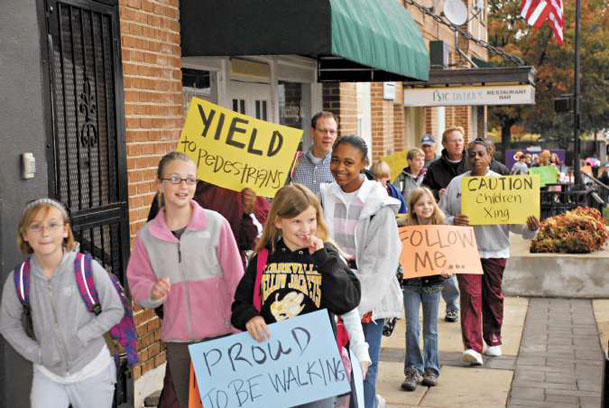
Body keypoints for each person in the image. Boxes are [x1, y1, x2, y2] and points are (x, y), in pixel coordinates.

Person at [231, 184, 369, 408]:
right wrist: (250, 317)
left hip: (317, 368)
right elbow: (239, 305)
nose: (306, 228)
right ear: (278, 221)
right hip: (273, 366)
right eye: (296, 221)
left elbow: (348, 301)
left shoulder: (328, 255)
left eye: (311, 220)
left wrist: (323, 259)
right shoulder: (264, 258)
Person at [127, 152, 244, 408]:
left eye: (190, 180)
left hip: (222, 337)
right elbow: (138, 285)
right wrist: (153, 292)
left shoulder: (216, 224)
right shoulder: (148, 236)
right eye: (176, 179)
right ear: (160, 184)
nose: (184, 186)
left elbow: (238, 282)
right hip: (180, 343)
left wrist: (239, 330)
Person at [0, 199, 123, 408]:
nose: (45, 233)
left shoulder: (86, 268)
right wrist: (36, 353)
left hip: (92, 369)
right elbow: (8, 324)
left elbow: (114, 309)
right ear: (24, 235)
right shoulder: (19, 278)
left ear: (65, 230)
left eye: (52, 225)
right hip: (48, 375)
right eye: (35, 226)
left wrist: (82, 335)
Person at [440, 140, 539, 366]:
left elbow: (515, 224)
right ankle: (473, 347)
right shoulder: (457, 184)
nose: (475, 158)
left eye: (480, 154)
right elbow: (440, 215)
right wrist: (453, 220)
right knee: (470, 296)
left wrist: (531, 229)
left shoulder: (502, 184)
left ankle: (493, 337)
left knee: (493, 296)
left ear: (489, 156)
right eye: (471, 154)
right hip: (465, 250)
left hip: (495, 250)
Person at [320, 136, 403, 408]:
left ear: (364, 164)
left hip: (367, 297)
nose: (339, 168)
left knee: (363, 367)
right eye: (335, 160)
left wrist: (352, 304)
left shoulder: (380, 205)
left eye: (348, 162)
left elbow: (382, 264)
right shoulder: (326, 196)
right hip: (332, 292)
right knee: (334, 367)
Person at [400, 187, 452, 392]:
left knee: (431, 329)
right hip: (411, 284)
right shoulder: (404, 229)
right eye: (421, 204)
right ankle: (413, 370)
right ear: (413, 208)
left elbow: (451, 255)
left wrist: (450, 271)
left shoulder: (442, 226)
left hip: (433, 284)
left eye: (429, 203)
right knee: (412, 327)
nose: (426, 207)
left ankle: (431, 369)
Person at [422, 127, 465, 324]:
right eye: (453, 141)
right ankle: (453, 305)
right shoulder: (435, 168)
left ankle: (471, 308)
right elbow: (424, 191)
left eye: (461, 140)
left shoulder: (471, 163)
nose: (458, 143)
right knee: (447, 272)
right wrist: (436, 194)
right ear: (445, 144)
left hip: (468, 226)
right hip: (444, 224)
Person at [292, 111, 339, 195]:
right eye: (323, 131)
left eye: (332, 132)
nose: (328, 136)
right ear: (312, 132)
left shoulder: (340, 166)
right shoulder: (295, 161)